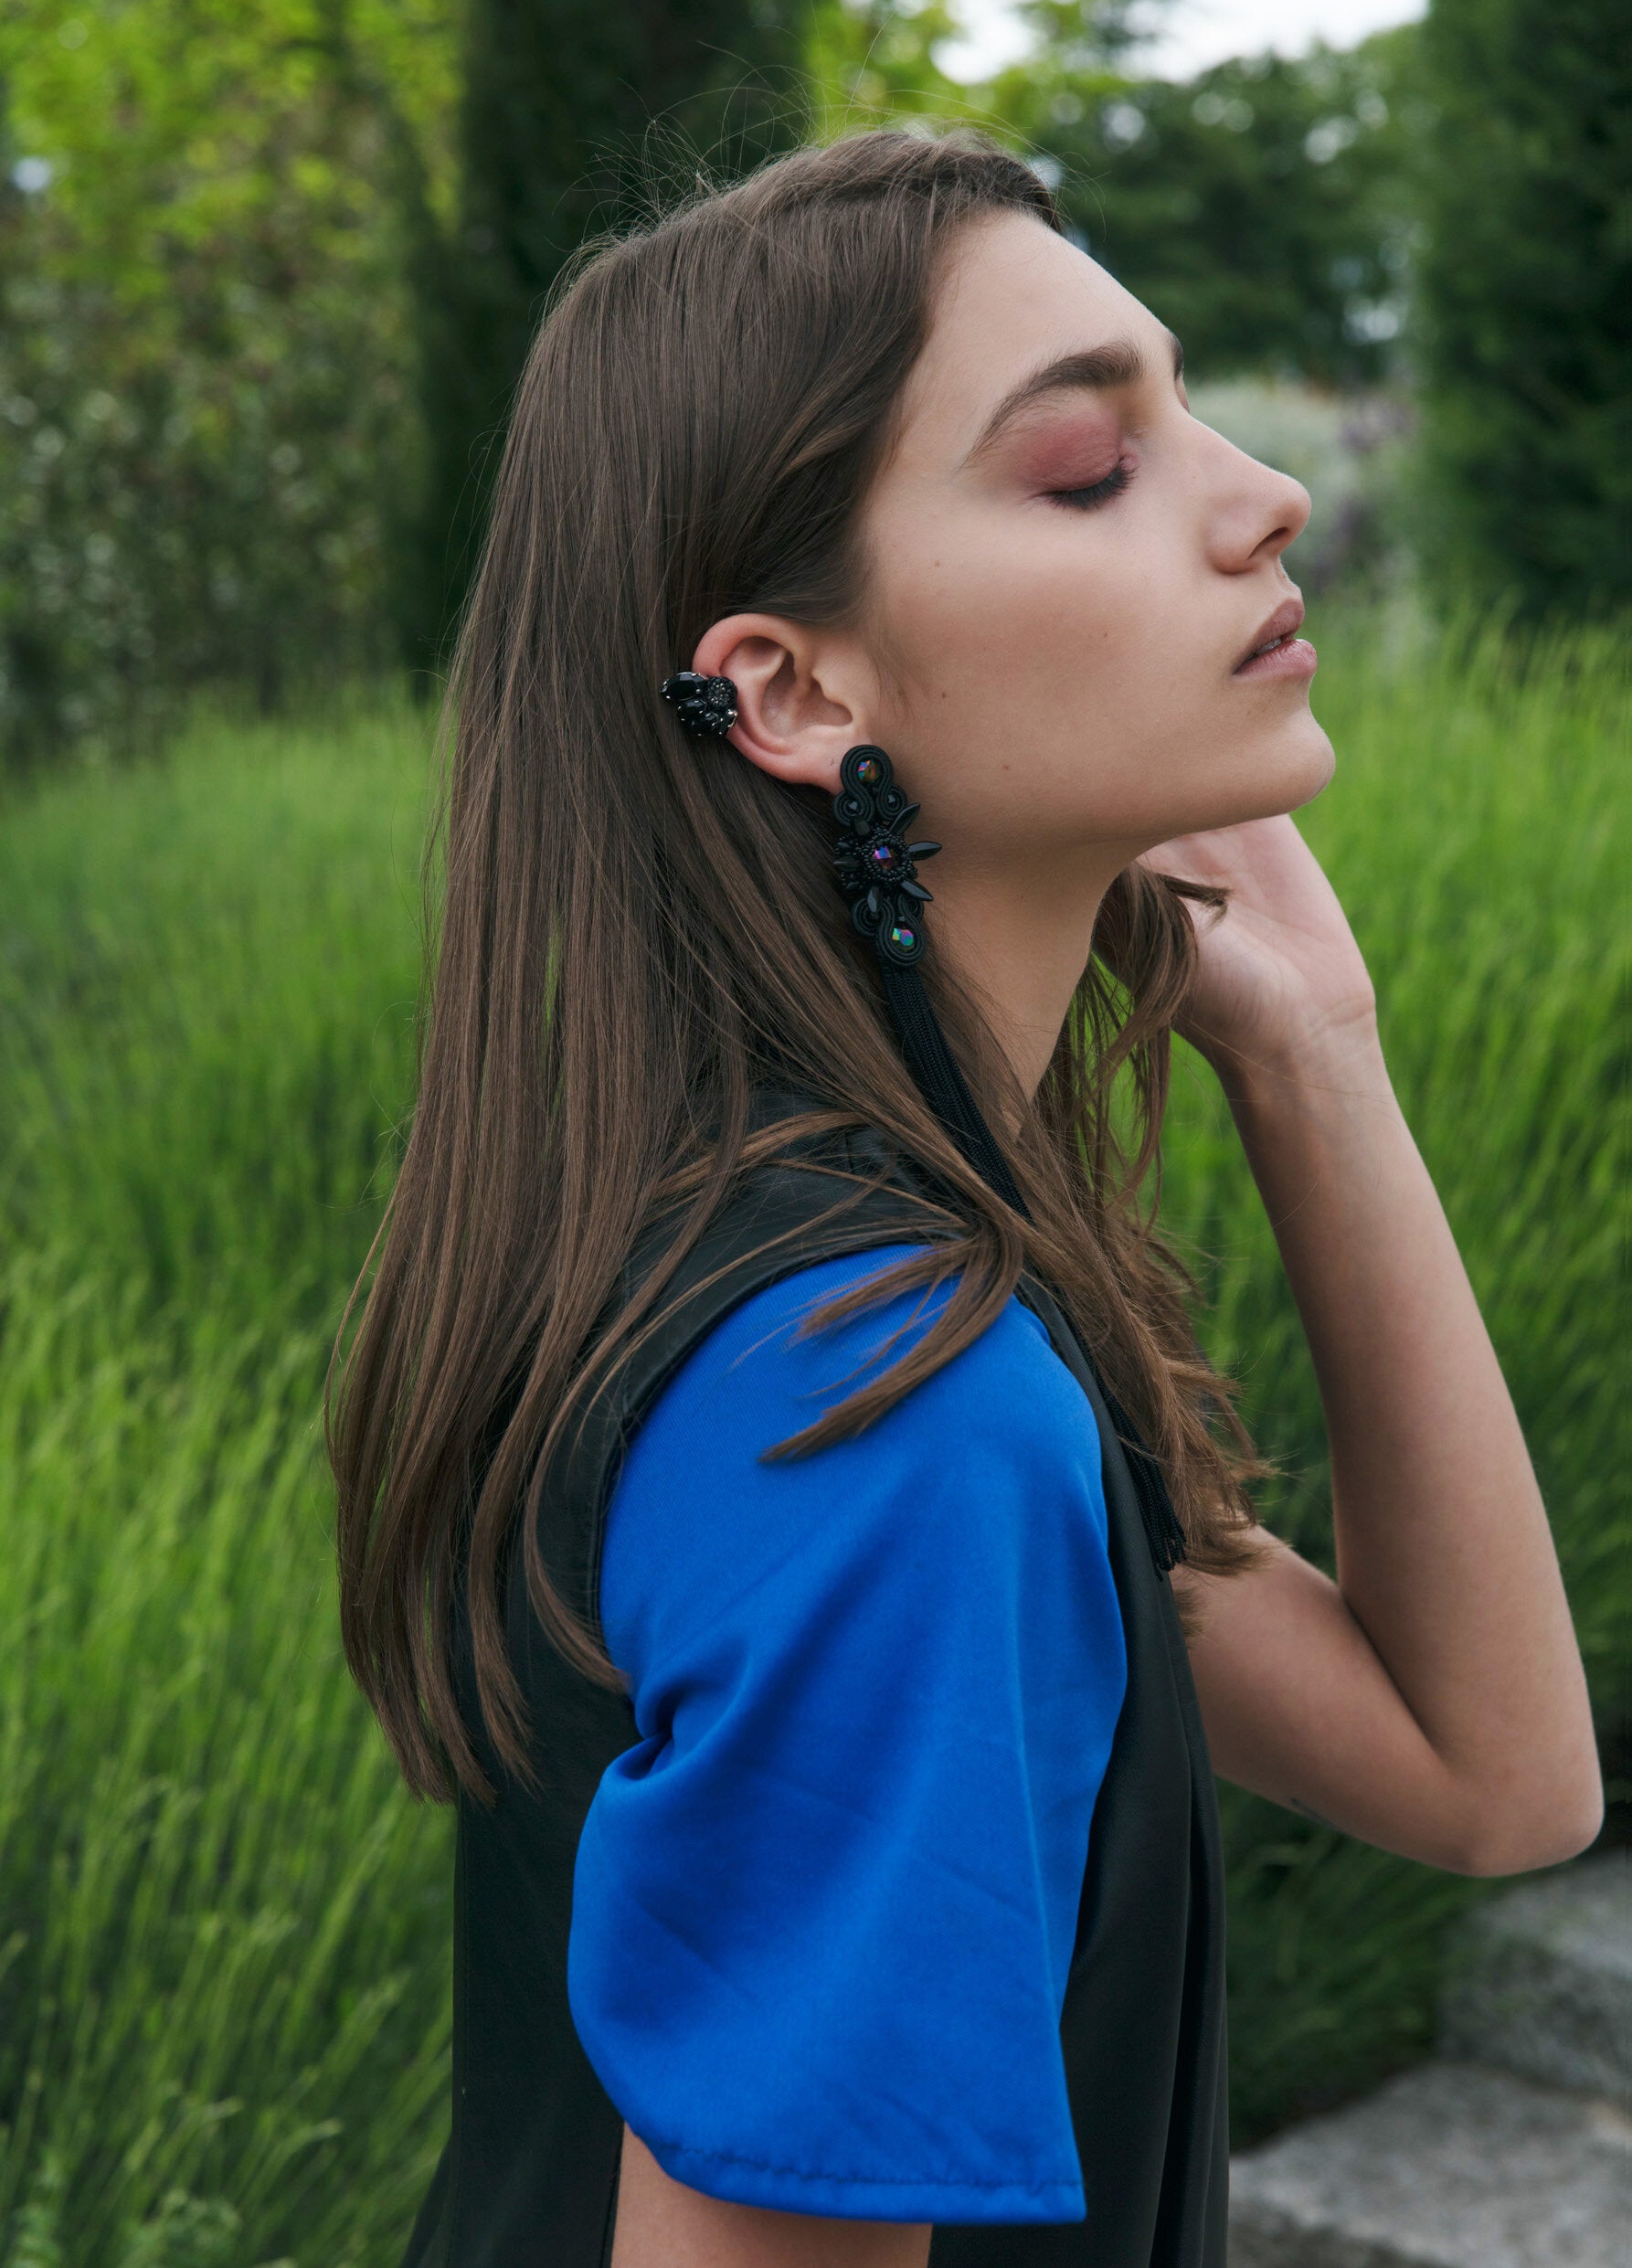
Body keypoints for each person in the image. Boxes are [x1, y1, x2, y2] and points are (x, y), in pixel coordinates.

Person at [326, 125, 1604, 2268]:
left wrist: (1309, 1051)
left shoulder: (797, 1289)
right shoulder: (885, 1413)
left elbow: (1482, 1772)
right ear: (796, 691)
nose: (1257, 492)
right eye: (1086, 467)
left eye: (1180, 407)